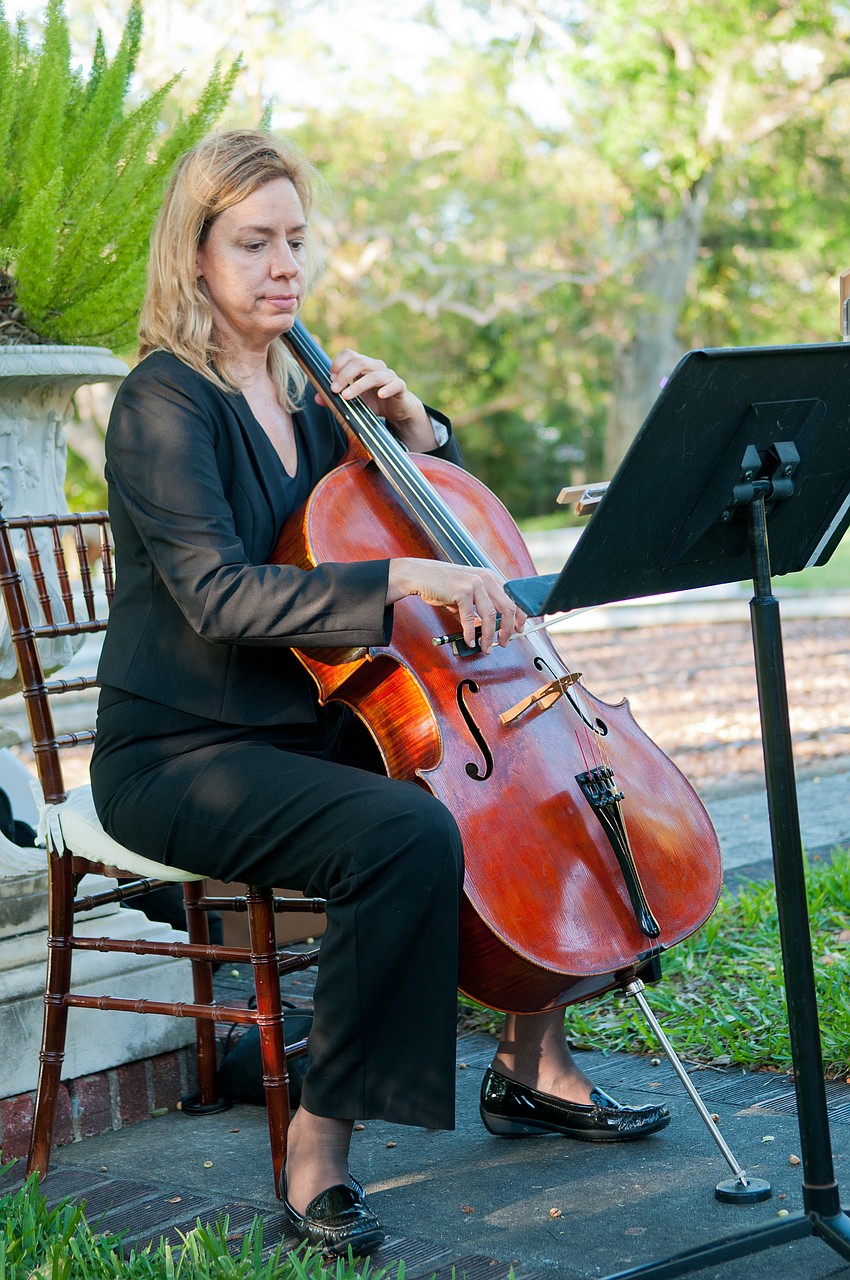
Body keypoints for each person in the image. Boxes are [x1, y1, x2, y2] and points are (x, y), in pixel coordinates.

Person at [90, 128, 669, 1258]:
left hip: (308, 725)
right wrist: (404, 574)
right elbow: (217, 595)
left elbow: (421, 511)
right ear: (193, 254)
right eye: (252, 243)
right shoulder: (163, 402)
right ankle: (317, 1150)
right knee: (402, 828)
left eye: (295, 240)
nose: (281, 266)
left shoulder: (318, 397)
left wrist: (413, 430)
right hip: (181, 749)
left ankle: (533, 1061)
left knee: (526, 783)